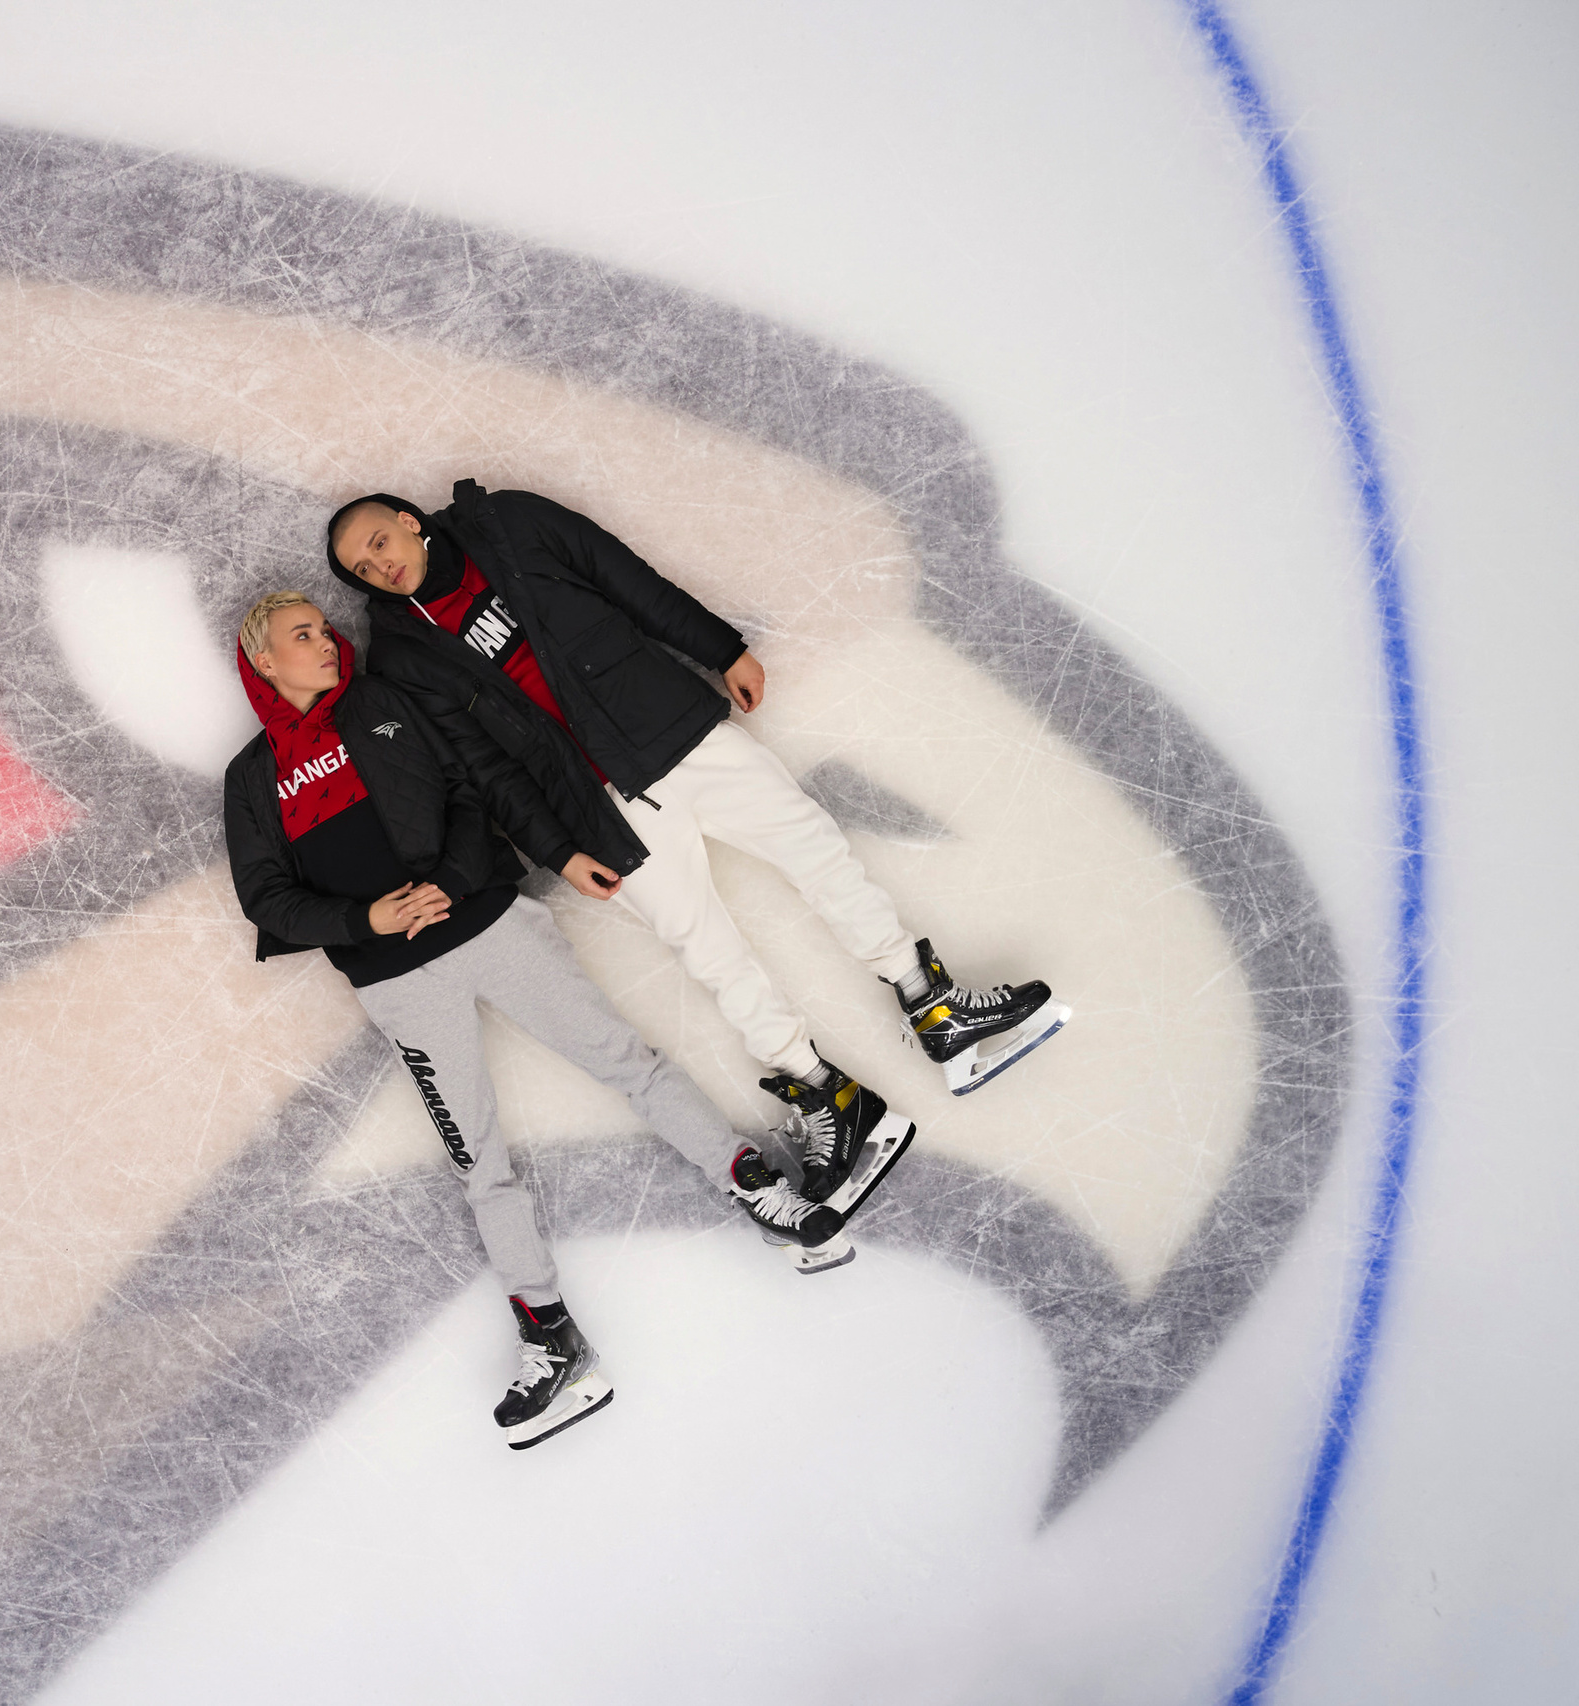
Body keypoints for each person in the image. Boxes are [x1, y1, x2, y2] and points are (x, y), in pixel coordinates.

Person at [323, 482, 1069, 1214]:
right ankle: (830, 1099)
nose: (379, 566)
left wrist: (721, 648)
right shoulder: (400, 659)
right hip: (601, 810)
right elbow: (483, 771)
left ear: (407, 520)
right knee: (710, 952)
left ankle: (933, 1007)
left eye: (379, 543)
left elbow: (621, 576)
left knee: (817, 852)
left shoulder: (507, 521)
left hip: (676, 730)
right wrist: (557, 851)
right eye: (362, 568)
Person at [223, 589, 847, 1450]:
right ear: (264, 660)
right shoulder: (252, 778)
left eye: (325, 631)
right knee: (477, 1158)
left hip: (488, 925)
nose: (325, 644)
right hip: (396, 982)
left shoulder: (386, 705)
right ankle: (551, 1338)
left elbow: (473, 789)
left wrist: (451, 877)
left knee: (626, 1062)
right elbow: (267, 899)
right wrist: (364, 923)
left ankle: (758, 1188)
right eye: (303, 637)